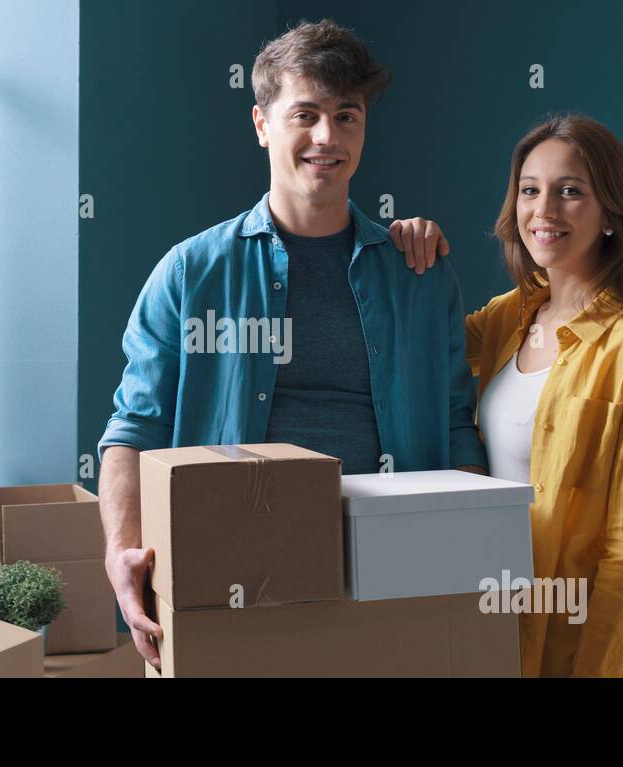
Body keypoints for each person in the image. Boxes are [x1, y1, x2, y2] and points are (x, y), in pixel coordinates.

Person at [97, 20, 487, 670]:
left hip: (393, 580)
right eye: (305, 114)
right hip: (224, 577)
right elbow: (133, 429)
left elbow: (456, 428)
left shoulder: (417, 273)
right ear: (261, 123)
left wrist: (470, 560)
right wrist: (121, 549)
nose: (327, 137)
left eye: (347, 115)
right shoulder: (190, 273)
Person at [391, 114, 623, 676]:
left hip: (587, 650)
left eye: (570, 192)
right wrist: (407, 246)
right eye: (530, 191)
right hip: (498, 629)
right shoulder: (511, 316)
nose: (544, 211)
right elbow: (416, 339)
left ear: (610, 216)